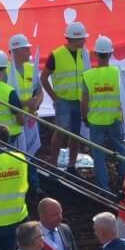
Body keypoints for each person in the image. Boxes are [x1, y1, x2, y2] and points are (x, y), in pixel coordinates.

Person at [82, 35, 125, 192]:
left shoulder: (88, 76)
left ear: (95, 54)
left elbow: (84, 101)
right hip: (116, 120)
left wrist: (85, 117)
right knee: (121, 150)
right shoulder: (118, 73)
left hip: (96, 122)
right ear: (110, 54)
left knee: (99, 155)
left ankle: (103, 187)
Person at [45, 21, 89, 171]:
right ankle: (53, 164)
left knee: (75, 134)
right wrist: (54, 97)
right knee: (61, 131)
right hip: (63, 100)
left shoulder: (84, 54)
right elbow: (44, 78)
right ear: (74, 38)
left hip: (78, 100)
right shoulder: (56, 55)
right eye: (82, 38)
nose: (85, 41)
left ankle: (71, 165)